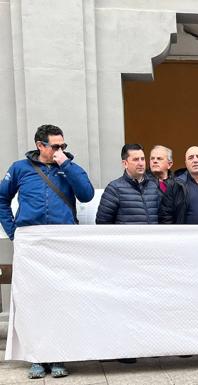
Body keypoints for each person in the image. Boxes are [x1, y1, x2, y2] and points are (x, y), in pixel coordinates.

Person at [0, 124, 95, 379]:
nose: (60, 150)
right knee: (33, 300)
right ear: (40, 145)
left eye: (63, 145)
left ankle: (59, 355)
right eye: (55, 146)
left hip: (62, 240)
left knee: (62, 298)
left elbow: (85, 195)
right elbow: (2, 199)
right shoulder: (20, 168)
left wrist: (66, 164)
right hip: (31, 241)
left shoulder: (69, 167)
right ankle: (37, 357)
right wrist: (13, 231)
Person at [96, 144, 160, 225]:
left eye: (142, 159)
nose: (141, 163)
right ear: (125, 163)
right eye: (136, 159)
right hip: (126, 237)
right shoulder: (114, 189)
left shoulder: (153, 186)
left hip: (151, 237)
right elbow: (102, 223)